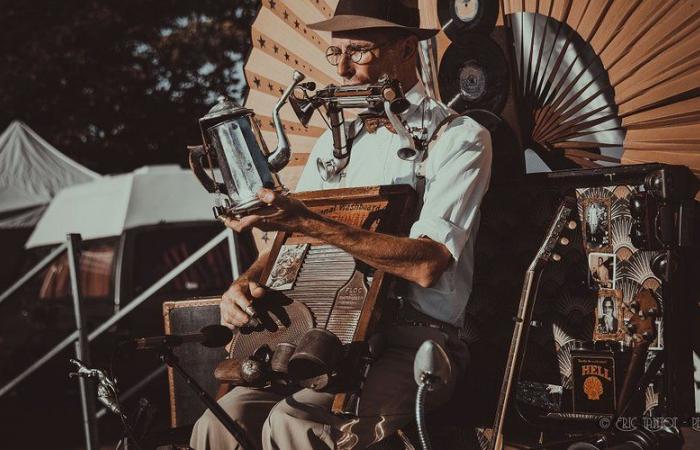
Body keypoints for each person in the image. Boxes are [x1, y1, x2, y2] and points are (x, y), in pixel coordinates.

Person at [190, 1, 492, 448]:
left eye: (360, 52)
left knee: (295, 422)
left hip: (414, 343)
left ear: (407, 49)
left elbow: (429, 264)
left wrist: (311, 221)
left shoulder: (459, 138)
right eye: (337, 54)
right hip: (321, 336)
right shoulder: (334, 146)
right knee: (219, 423)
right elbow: (290, 238)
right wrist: (245, 282)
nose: (344, 69)